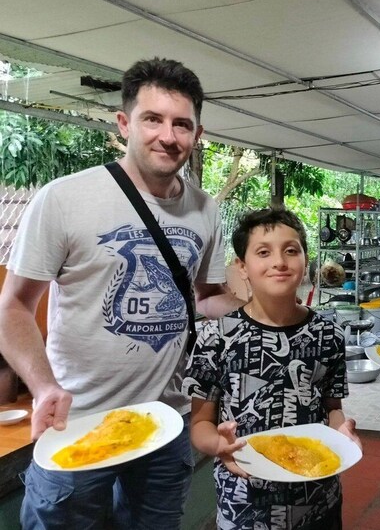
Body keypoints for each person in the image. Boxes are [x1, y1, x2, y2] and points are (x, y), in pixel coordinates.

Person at [0, 57, 243, 529]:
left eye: (181, 124)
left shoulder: (205, 209)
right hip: (78, 418)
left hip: (166, 418)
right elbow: (12, 306)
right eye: (152, 119)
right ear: (124, 123)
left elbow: (204, 298)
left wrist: (263, 307)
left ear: (198, 133)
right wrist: (43, 385)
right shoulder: (65, 198)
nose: (167, 136)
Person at [183, 208, 360, 530]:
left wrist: (341, 432)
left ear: (306, 259)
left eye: (291, 250)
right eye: (263, 252)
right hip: (245, 505)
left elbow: (332, 408)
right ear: (242, 267)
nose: (279, 261)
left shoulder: (328, 335)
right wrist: (218, 445)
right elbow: (200, 424)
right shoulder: (216, 336)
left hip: (318, 498)